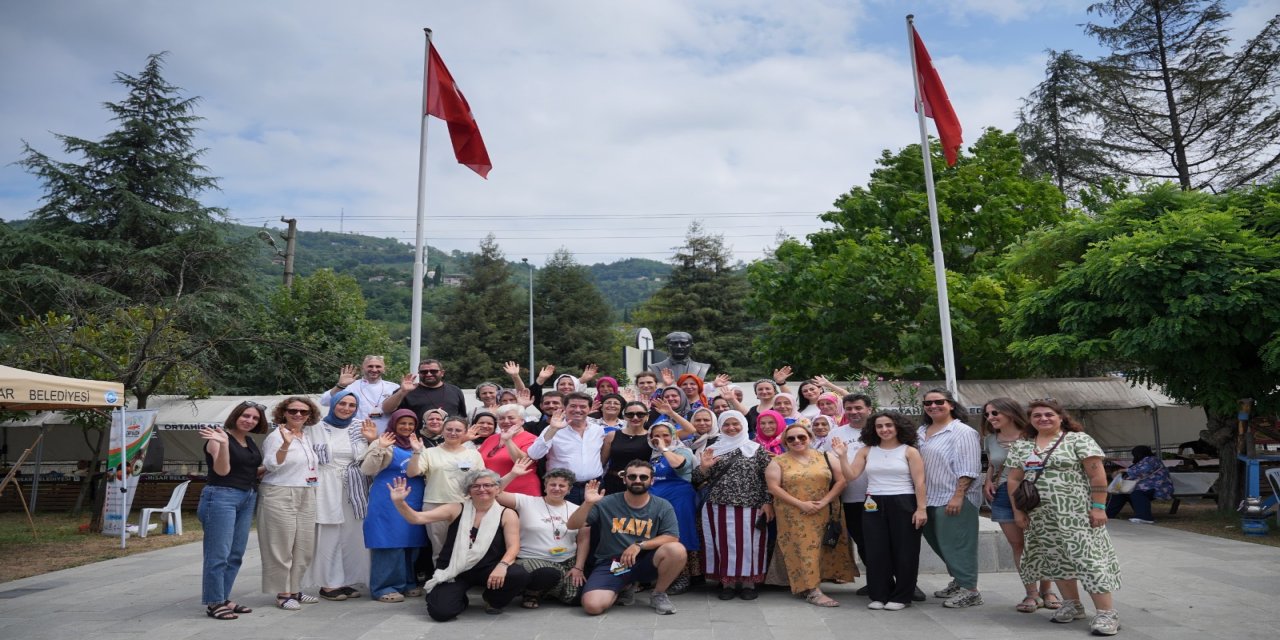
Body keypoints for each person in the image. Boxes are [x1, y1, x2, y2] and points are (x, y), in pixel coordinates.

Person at [1007, 400, 1122, 636]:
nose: (1043, 419)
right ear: (1030, 420)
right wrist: (1018, 511)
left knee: (1089, 560)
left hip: (1077, 515)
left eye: (1049, 414)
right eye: (1037, 415)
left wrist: (1098, 507)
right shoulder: (1022, 446)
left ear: (1061, 418)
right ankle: (1072, 605)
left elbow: (1098, 475)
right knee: (1056, 559)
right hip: (1040, 517)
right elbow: (1014, 480)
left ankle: (1106, 614)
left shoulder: (1078, 440)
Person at [388, 470, 530, 620]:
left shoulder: (507, 513)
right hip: (455, 569)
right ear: (468, 490)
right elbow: (417, 518)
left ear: (497, 489)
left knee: (519, 575)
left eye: (487, 485)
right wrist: (400, 502)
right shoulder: (456, 508)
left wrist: (502, 565)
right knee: (441, 612)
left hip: (489, 568)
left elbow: (513, 547)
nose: (482, 489)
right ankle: (458, 598)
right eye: (475, 486)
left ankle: (492, 599)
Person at [832, 412, 926, 611]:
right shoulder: (866, 450)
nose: (884, 429)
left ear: (898, 426)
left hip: (904, 501)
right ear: (873, 429)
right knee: (876, 551)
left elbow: (920, 482)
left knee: (905, 551)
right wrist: (842, 457)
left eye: (889, 425)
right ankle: (879, 594)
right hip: (873, 502)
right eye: (879, 426)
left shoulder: (909, 451)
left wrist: (921, 509)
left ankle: (902, 596)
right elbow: (851, 475)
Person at [568, 462, 687, 616]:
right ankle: (623, 586)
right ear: (624, 479)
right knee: (592, 606)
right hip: (613, 563)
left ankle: (658, 593)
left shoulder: (662, 505)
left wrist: (639, 545)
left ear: (651, 481)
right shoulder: (606, 502)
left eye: (643, 477)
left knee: (676, 550)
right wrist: (588, 503)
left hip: (645, 561)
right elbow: (573, 525)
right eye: (632, 476)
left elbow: (672, 537)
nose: (637, 480)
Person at [982, 397, 1061, 612]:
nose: (990, 418)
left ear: (1009, 412)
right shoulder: (990, 439)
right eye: (987, 414)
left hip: (1033, 494)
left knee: (1041, 543)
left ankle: (1048, 590)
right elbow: (993, 463)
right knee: (1018, 546)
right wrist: (988, 480)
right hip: (1003, 497)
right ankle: (1031, 593)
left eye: (995, 413)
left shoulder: (1033, 435)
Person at [765, 422, 856, 607]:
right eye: (791, 438)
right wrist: (801, 504)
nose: (797, 441)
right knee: (803, 548)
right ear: (785, 442)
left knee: (821, 549)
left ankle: (811, 584)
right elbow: (773, 487)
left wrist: (824, 501)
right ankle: (812, 591)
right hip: (794, 513)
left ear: (810, 438)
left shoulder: (826, 456)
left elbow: (841, 481)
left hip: (825, 510)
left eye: (801, 437)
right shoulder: (778, 461)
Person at [197, 400, 267, 620]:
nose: (250, 420)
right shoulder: (217, 437)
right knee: (218, 554)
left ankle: (223, 596)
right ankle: (214, 602)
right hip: (221, 497)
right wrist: (224, 444)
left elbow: (250, 470)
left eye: (255, 418)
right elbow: (222, 470)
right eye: (246, 416)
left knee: (235, 553)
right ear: (236, 415)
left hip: (247, 496)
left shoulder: (249, 441)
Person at [693, 410, 773, 600]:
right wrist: (703, 467)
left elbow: (768, 479)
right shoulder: (714, 449)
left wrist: (768, 502)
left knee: (750, 545)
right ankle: (727, 583)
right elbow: (696, 479)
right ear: (720, 427)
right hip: (717, 506)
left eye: (735, 423)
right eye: (726, 425)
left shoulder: (756, 449)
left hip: (751, 505)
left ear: (743, 425)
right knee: (723, 544)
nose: (731, 428)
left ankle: (748, 583)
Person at [917, 388, 984, 608]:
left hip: (953, 497)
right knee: (940, 543)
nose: (933, 406)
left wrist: (958, 496)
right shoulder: (922, 430)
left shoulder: (962, 432)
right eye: (928, 403)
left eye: (938, 402)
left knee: (958, 544)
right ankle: (959, 580)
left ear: (951, 405)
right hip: (929, 498)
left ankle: (971, 590)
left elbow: (969, 467)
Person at [305, 390, 374, 601]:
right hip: (326, 485)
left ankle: (346, 580)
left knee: (353, 533)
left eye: (352, 405)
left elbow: (372, 456)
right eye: (342, 403)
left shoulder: (361, 426)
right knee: (329, 533)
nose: (346, 408)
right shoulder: (315, 428)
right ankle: (328, 583)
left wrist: (373, 440)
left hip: (354, 484)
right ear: (333, 404)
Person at [497, 462, 590, 608]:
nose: (556, 489)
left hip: (566, 561)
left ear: (569, 489)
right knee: (547, 573)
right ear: (545, 486)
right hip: (531, 559)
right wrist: (513, 474)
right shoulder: (526, 502)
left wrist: (578, 567)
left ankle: (547, 590)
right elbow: (494, 493)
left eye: (562, 486)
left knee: (578, 598)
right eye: (552, 484)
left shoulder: (577, 509)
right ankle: (532, 591)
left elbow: (583, 539)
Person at [259, 396, 322, 610]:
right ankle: (283, 593)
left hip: (306, 491)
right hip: (280, 492)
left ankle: (295, 589)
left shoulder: (305, 436)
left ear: (309, 416)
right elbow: (271, 465)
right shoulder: (276, 436)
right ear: (283, 413)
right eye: (293, 410)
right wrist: (285, 445)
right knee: (281, 545)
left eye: (303, 412)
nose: (298, 415)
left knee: (304, 546)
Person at [360, 409, 428, 603]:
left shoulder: (418, 445)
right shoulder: (384, 443)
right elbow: (367, 469)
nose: (406, 427)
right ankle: (384, 587)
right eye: (402, 423)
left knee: (410, 542)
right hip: (387, 498)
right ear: (394, 424)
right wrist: (379, 447)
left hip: (413, 496)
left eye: (410, 424)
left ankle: (407, 582)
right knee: (389, 541)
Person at [407, 415, 485, 565]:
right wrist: (417, 452)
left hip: (465, 506)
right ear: (442, 431)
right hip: (436, 504)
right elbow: (412, 472)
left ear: (465, 432)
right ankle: (440, 581)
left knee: (465, 547)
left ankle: (461, 581)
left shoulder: (473, 454)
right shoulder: (429, 453)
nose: (453, 433)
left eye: (458, 430)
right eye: (449, 429)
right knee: (439, 548)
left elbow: (481, 481)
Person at [647, 422, 701, 594]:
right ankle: (662, 574)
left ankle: (683, 577)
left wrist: (664, 448)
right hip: (657, 499)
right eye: (657, 436)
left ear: (673, 436)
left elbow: (678, 465)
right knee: (659, 536)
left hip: (679, 498)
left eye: (666, 435)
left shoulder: (682, 451)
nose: (661, 439)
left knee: (681, 535)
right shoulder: (652, 456)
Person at [528, 393, 606, 505]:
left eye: (583, 407)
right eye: (573, 406)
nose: (578, 410)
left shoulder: (598, 430)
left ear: (590, 409)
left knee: (592, 520)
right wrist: (553, 429)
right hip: (563, 487)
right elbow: (534, 455)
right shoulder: (552, 429)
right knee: (564, 521)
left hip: (594, 486)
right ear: (565, 408)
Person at [320, 356, 400, 433]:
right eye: (370, 366)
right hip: (355, 435)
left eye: (378, 366)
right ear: (363, 368)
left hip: (385, 436)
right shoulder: (350, 385)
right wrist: (340, 385)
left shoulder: (394, 387)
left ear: (384, 369)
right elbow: (324, 402)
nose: (374, 369)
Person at [479, 404, 539, 496]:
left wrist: (508, 440)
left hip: (521, 493)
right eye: (501, 418)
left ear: (522, 420)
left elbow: (522, 463)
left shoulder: (531, 439)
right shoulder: (491, 439)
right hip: (493, 492)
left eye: (511, 418)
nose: (506, 421)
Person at [1106, 445, 1174, 524]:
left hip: (1159, 488)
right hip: (1146, 487)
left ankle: (1145, 517)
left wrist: (1124, 470)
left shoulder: (1152, 460)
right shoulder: (1141, 461)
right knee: (1120, 493)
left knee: (1138, 493)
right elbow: (1132, 472)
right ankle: (1108, 515)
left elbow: (1142, 470)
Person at [600, 401, 654, 496]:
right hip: (613, 482)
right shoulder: (612, 435)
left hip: (640, 484)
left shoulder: (652, 437)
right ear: (624, 417)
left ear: (646, 416)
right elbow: (602, 462)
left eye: (640, 414)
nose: (635, 418)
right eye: (630, 415)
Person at [383, 358, 467, 419]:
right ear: (419, 373)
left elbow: (462, 417)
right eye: (424, 372)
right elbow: (386, 409)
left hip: (448, 440)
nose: (429, 374)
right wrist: (402, 391)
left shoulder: (455, 391)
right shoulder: (408, 390)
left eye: (433, 371)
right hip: (416, 440)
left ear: (442, 373)